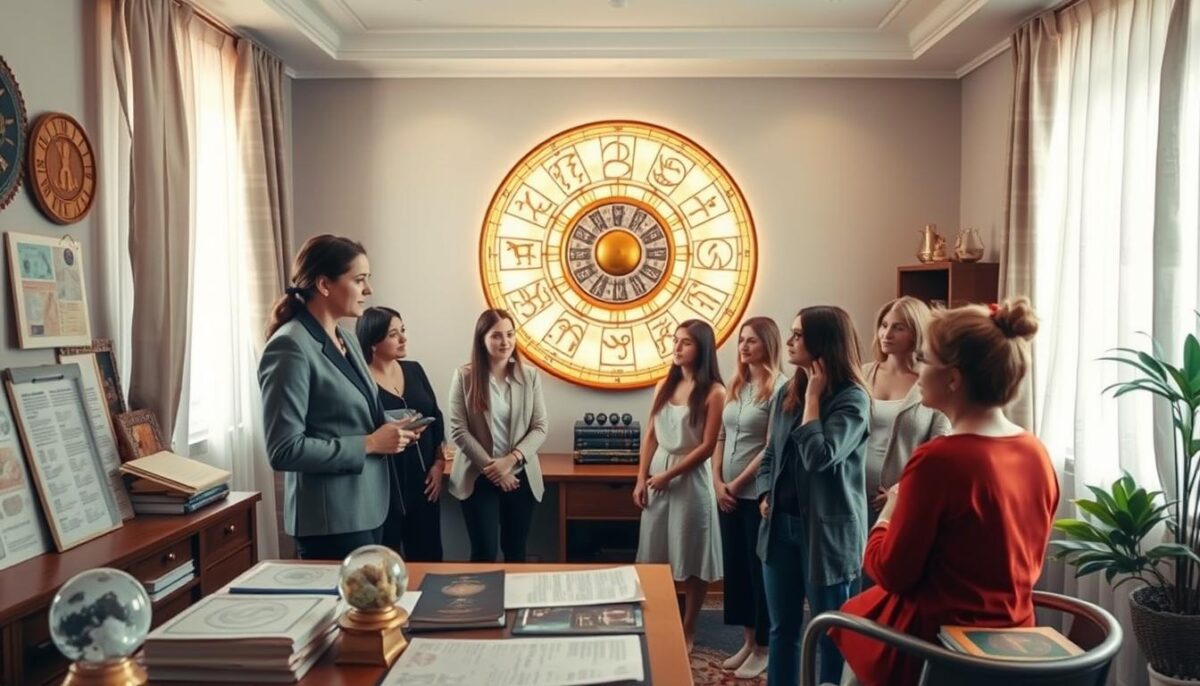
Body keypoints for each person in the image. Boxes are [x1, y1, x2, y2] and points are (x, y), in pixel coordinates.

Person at [831, 298, 1057, 686]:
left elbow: (890, 572)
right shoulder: (1035, 450)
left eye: (925, 359)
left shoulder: (940, 459)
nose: (917, 370)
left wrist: (887, 515)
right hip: (1012, 638)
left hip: (937, 652)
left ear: (953, 379)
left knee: (843, 623)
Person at [258, 234, 418, 561]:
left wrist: (393, 427)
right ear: (324, 285)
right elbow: (284, 450)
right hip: (331, 521)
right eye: (359, 280)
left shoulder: (346, 337)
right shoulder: (289, 346)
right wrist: (371, 443)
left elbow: (345, 417)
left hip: (370, 507)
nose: (368, 291)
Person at [755, 306, 870, 686]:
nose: (788, 342)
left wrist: (815, 400)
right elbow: (771, 452)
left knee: (830, 635)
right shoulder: (788, 390)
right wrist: (764, 492)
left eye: (798, 335)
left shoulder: (853, 399)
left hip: (827, 535)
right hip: (779, 528)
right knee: (780, 631)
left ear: (823, 343)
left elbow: (819, 457)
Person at [633, 319, 726, 653]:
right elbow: (650, 434)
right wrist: (642, 477)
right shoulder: (663, 385)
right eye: (675, 340)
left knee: (691, 554)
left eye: (685, 342)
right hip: (658, 474)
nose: (677, 347)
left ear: (701, 348)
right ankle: (660, 620)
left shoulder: (715, 391)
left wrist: (667, 477)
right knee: (656, 552)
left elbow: (706, 447)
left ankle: (689, 627)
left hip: (689, 478)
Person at [712, 316, 786, 678]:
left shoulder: (780, 388)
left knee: (759, 573)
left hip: (755, 494)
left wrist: (738, 483)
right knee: (737, 570)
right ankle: (747, 640)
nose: (743, 346)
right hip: (725, 492)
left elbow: (771, 446)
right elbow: (722, 438)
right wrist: (716, 481)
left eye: (752, 341)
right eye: (742, 340)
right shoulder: (736, 384)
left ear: (768, 344)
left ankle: (764, 647)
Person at [447, 309, 548, 562]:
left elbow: (540, 427)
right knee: (484, 553)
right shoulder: (465, 376)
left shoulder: (530, 376)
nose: (505, 342)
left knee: (516, 552)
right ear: (482, 339)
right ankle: (482, 603)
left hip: (520, 474)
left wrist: (510, 461)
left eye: (510, 335)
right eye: (496, 336)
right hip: (478, 475)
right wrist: (493, 469)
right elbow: (459, 429)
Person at [357, 306, 446, 562]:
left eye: (403, 330)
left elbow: (437, 420)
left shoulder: (414, 369)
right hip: (385, 487)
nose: (403, 339)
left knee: (430, 557)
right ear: (373, 342)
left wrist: (439, 465)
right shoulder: (361, 381)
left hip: (426, 483)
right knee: (386, 563)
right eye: (394, 334)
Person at [862, 297, 949, 530]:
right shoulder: (862, 374)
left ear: (916, 332)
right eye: (884, 325)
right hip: (851, 496)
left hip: (902, 502)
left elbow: (940, 451)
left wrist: (899, 491)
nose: (886, 334)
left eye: (898, 328)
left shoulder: (932, 381)